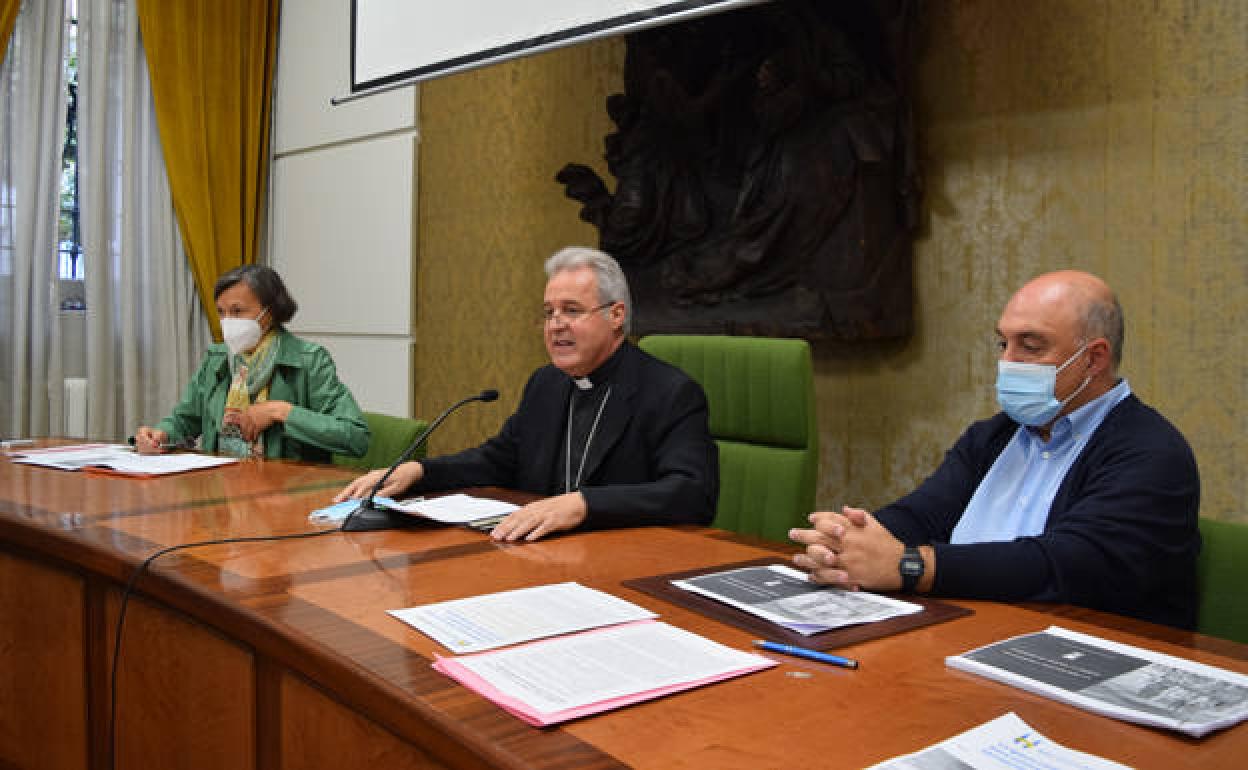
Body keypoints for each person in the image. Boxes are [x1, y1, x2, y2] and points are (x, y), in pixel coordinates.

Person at [789, 270, 1201, 629]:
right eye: (1002, 343)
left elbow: (1062, 567)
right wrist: (847, 543)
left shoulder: (1152, 453)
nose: (1008, 361)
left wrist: (908, 565)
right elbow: (922, 514)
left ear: (1094, 359)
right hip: (969, 631)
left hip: (1087, 662)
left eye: (1031, 346)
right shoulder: (994, 435)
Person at [335, 246, 719, 542]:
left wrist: (583, 504)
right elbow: (498, 459)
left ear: (616, 315)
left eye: (571, 310)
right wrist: (419, 471)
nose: (555, 326)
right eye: (549, 313)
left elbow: (691, 493)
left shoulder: (669, 392)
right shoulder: (546, 384)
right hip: (542, 556)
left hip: (623, 562)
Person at [134, 265, 370, 462]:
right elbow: (186, 419)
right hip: (220, 489)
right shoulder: (218, 358)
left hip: (284, 494)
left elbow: (355, 436)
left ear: (269, 312)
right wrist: (160, 434)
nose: (228, 322)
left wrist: (281, 411)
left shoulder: (309, 359)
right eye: (222, 312)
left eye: (237, 311)